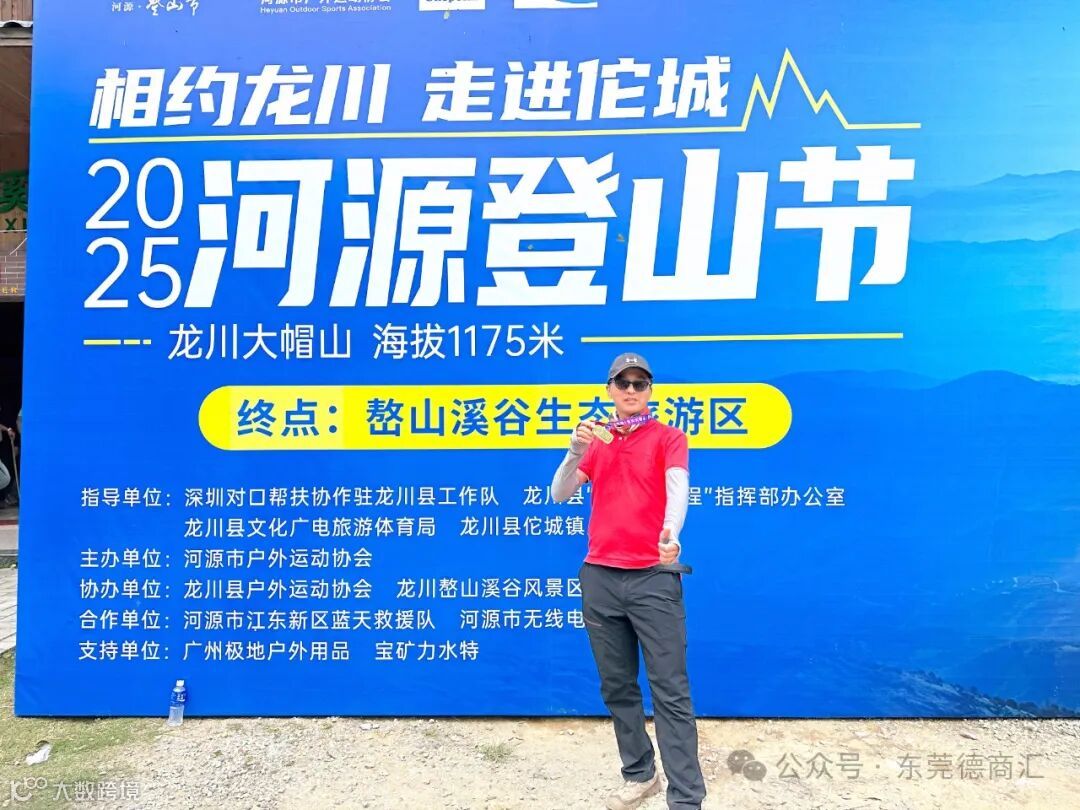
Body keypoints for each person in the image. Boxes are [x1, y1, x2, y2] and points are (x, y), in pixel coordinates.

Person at [551, 353, 706, 810]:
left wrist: (670, 533)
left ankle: (686, 797)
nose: (632, 390)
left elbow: (678, 488)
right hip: (600, 576)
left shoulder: (669, 438)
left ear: (650, 390)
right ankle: (639, 773)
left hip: (653, 578)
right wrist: (574, 449)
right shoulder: (596, 441)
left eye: (640, 383)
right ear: (610, 390)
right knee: (617, 686)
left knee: (670, 690)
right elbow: (559, 493)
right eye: (624, 383)